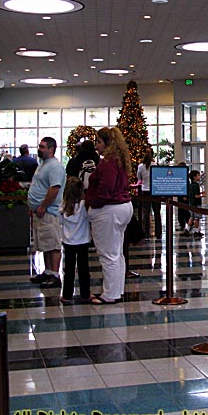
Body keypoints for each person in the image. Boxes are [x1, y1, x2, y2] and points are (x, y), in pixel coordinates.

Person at [85, 127, 134, 304]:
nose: (96, 146)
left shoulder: (108, 163)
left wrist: (93, 205)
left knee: (108, 255)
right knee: (116, 253)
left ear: (107, 143)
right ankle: (116, 290)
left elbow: (105, 189)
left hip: (109, 210)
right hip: (122, 208)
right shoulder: (118, 161)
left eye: (98, 142)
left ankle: (110, 294)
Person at [27, 137, 66, 288]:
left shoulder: (55, 167)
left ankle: (55, 274)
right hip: (39, 211)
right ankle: (48, 271)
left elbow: (54, 188)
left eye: (43, 147)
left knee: (53, 243)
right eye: (39, 146)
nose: (39, 149)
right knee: (45, 243)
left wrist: (43, 206)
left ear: (51, 149)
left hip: (49, 212)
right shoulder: (43, 165)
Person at [60, 177, 91, 305]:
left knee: (69, 269)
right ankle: (85, 294)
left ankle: (67, 295)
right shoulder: (84, 206)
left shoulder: (63, 206)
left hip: (68, 242)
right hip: (83, 241)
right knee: (84, 269)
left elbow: (60, 222)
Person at [136, 149, 162, 239]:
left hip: (145, 191)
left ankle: (146, 234)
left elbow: (139, 178)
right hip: (155, 191)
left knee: (146, 213)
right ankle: (158, 233)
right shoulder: (156, 165)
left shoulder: (140, 166)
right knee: (157, 213)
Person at [184, 170, 204, 238]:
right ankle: (196, 231)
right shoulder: (196, 185)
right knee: (197, 218)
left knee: (192, 217)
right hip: (196, 204)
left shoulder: (191, 185)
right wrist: (202, 195)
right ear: (194, 177)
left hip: (191, 203)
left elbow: (192, 194)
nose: (199, 176)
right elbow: (196, 196)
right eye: (198, 175)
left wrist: (201, 193)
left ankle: (187, 229)